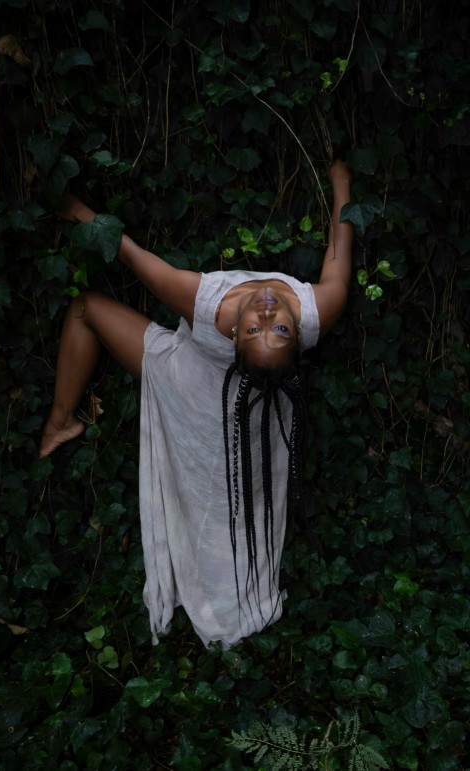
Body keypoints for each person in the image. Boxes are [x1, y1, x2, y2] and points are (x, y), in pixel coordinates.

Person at [40, 160, 353, 648]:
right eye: (273, 327)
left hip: (202, 385)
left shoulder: (210, 304)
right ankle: (61, 424)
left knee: (86, 308)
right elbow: (338, 253)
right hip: (207, 380)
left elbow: (137, 257)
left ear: (235, 333)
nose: (269, 312)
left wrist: (77, 210)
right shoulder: (317, 308)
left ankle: (58, 423)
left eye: (263, 328)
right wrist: (342, 186)